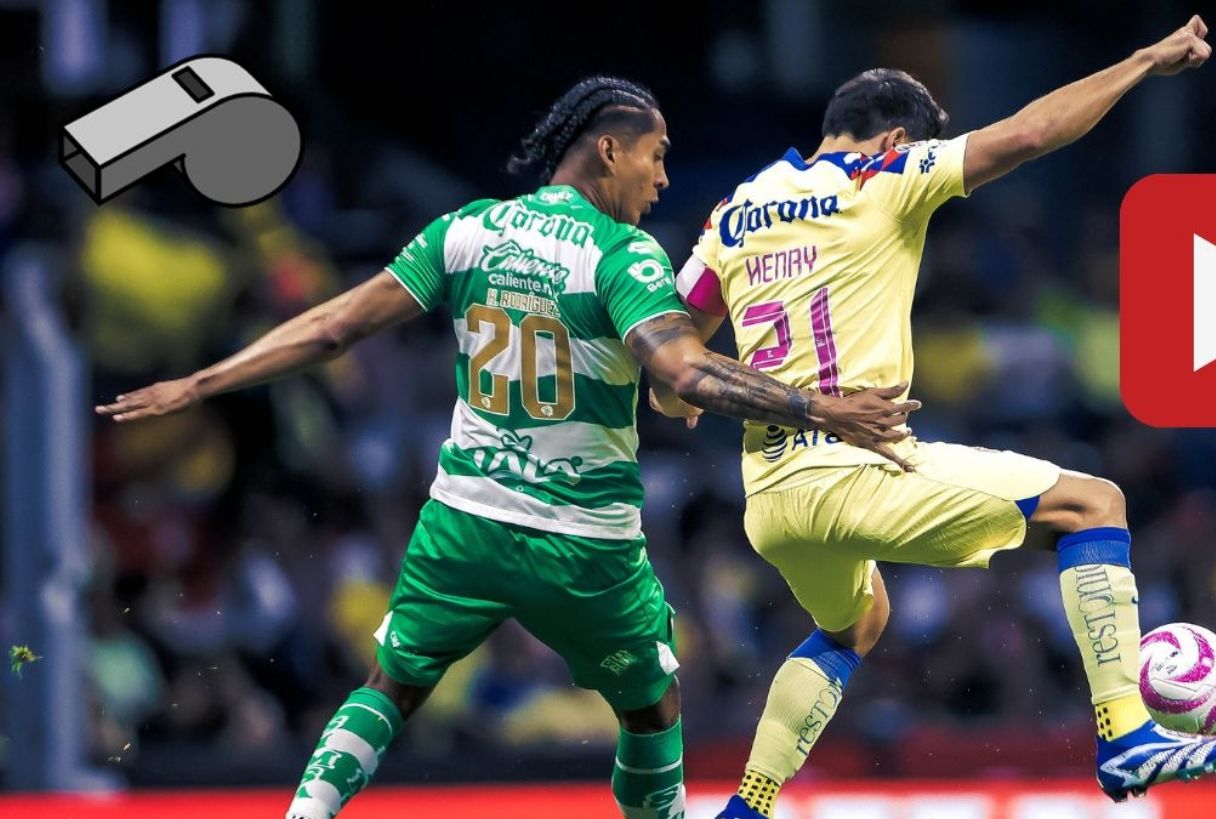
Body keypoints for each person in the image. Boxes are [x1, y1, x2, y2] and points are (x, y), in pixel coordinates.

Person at [97, 75, 918, 819]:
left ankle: (305, 813)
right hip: (583, 542)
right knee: (654, 707)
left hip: (465, 522)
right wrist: (821, 407)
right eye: (657, 155)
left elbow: (334, 326)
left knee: (391, 685)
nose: (663, 178)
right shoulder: (620, 253)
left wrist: (200, 382)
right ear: (609, 149)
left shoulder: (468, 229)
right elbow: (683, 370)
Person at [667, 17, 1216, 815]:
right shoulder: (882, 175)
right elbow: (1031, 133)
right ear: (895, 139)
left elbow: (673, 369)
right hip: (853, 471)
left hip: (771, 498)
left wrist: (694, 395)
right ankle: (1126, 734)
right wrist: (1143, 61)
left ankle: (751, 803)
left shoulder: (733, 212)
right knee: (1095, 504)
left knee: (856, 623)